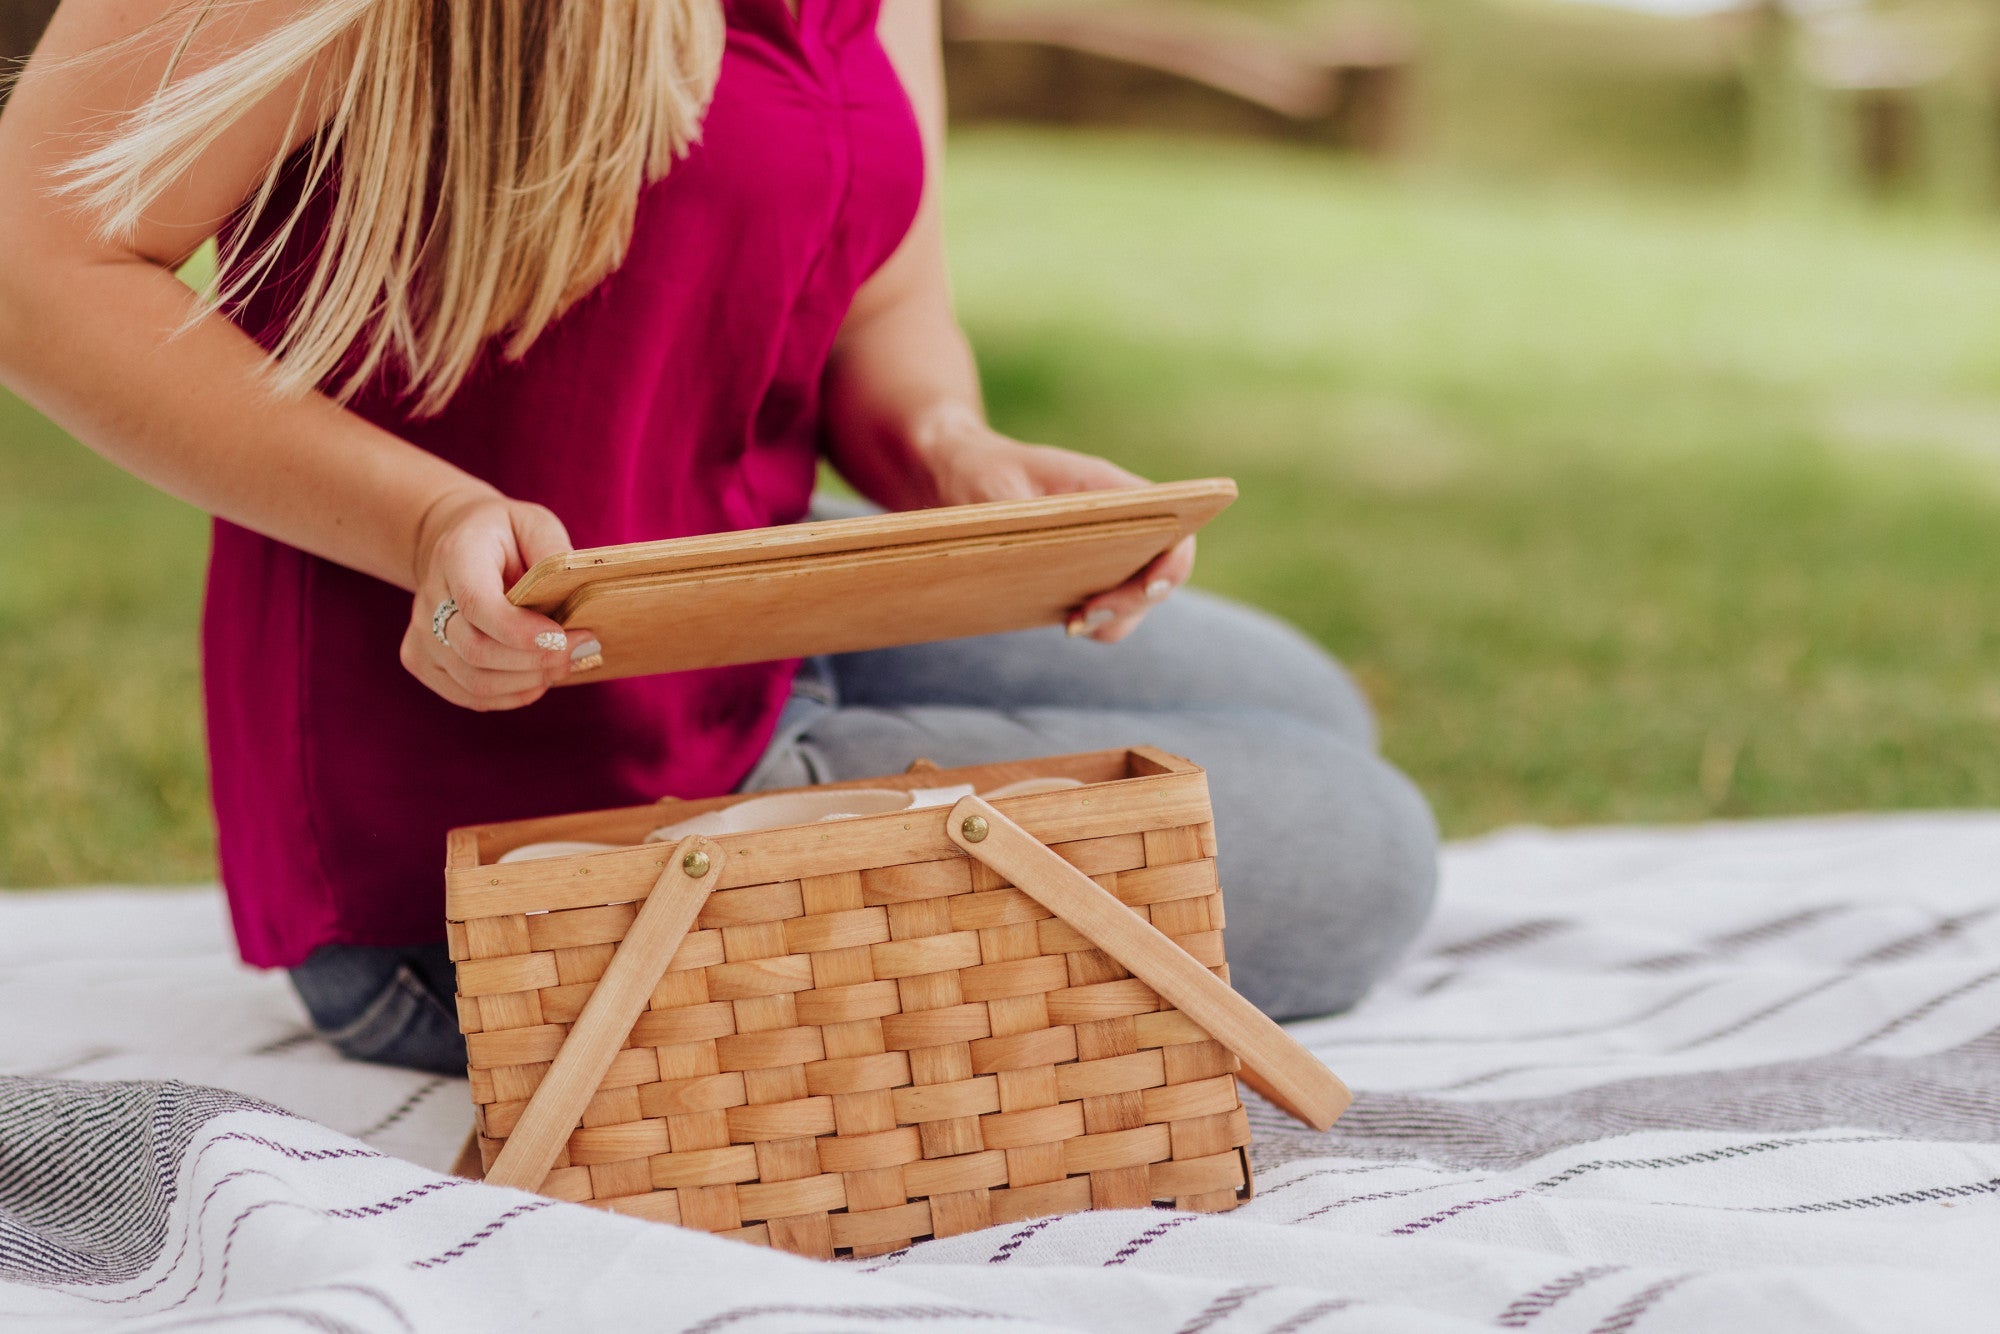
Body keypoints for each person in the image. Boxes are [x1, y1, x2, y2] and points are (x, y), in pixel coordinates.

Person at [0, 0, 1437, 1077]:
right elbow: (37, 266)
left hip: (740, 604)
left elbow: (884, 292)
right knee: (1363, 851)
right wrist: (427, 515)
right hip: (510, 817)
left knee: (1305, 704)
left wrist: (952, 449)